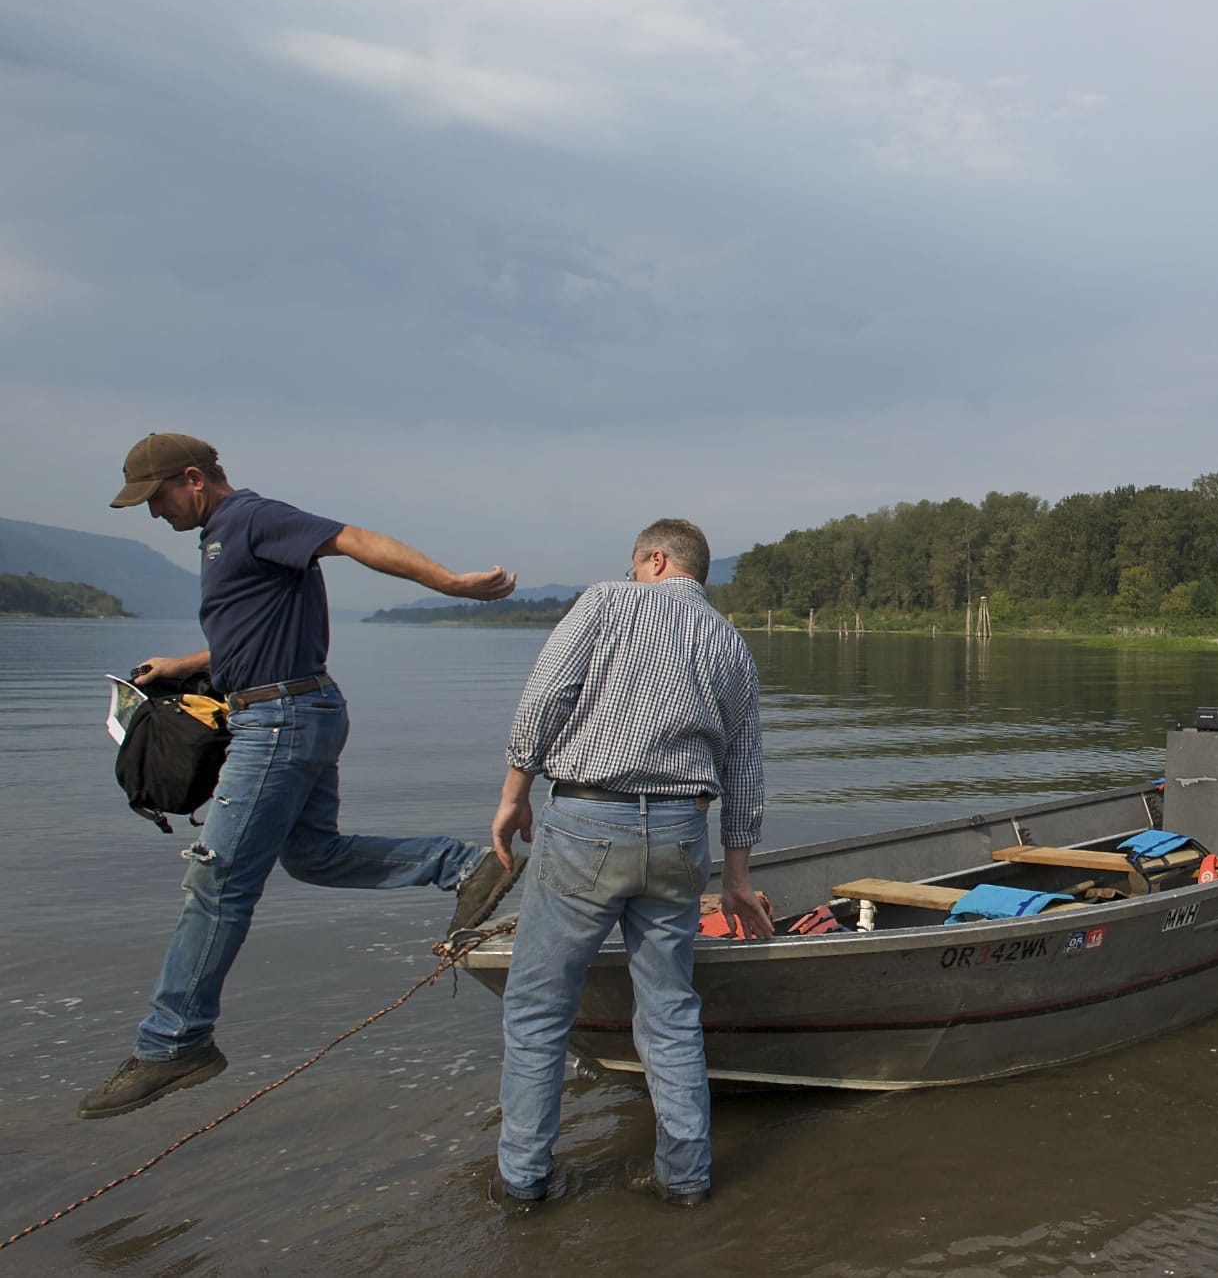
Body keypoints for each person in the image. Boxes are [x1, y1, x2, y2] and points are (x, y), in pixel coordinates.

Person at [79, 432, 527, 1120]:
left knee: (216, 881)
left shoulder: (252, 517)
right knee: (314, 855)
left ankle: (174, 1040)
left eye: (156, 496)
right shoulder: (224, 538)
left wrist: (454, 584)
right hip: (294, 708)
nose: (153, 512)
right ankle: (463, 866)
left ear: (193, 478)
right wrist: (182, 665)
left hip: (281, 719)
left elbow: (352, 537)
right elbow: (251, 628)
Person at [489, 517, 770, 1208]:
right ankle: (686, 1181)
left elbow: (544, 698)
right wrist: (734, 880)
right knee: (670, 1011)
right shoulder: (730, 643)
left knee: (537, 1011)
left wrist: (513, 797)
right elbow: (747, 772)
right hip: (681, 832)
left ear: (652, 559)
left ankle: (523, 1184)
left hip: (588, 819)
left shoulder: (606, 601)